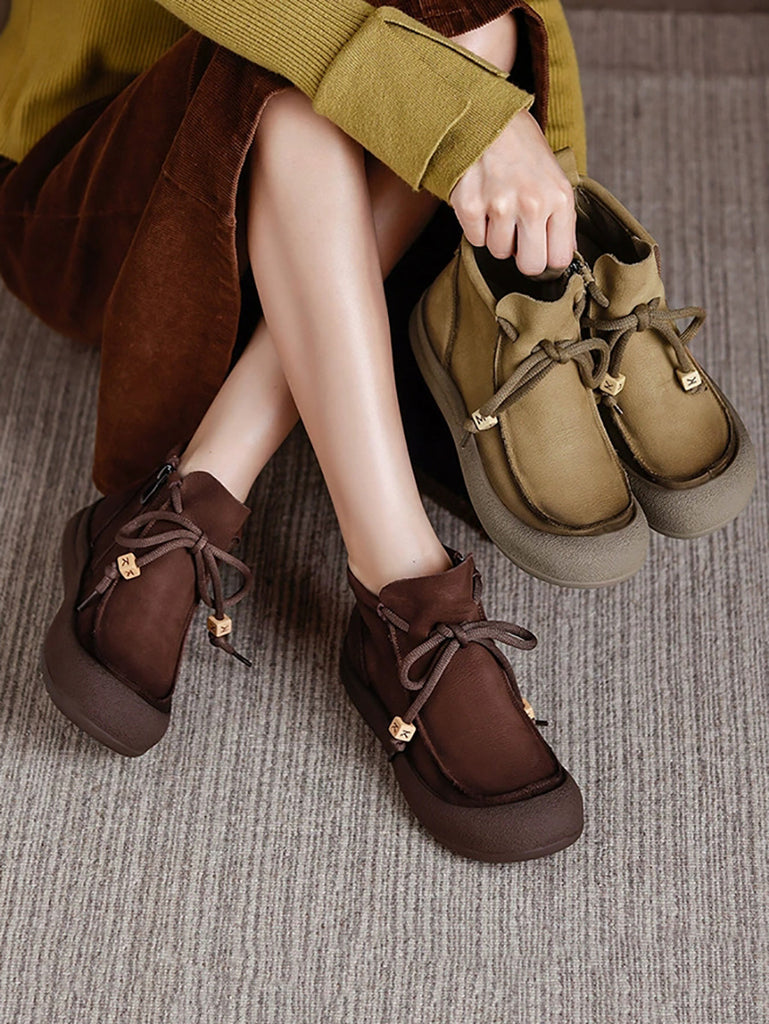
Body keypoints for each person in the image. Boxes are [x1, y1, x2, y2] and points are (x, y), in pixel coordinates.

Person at [0, 1, 753, 864]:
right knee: (296, 82)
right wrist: (463, 117)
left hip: (338, 223)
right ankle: (402, 582)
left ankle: (198, 488)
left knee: (475, 29)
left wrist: (522, 155)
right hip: (106, 187)